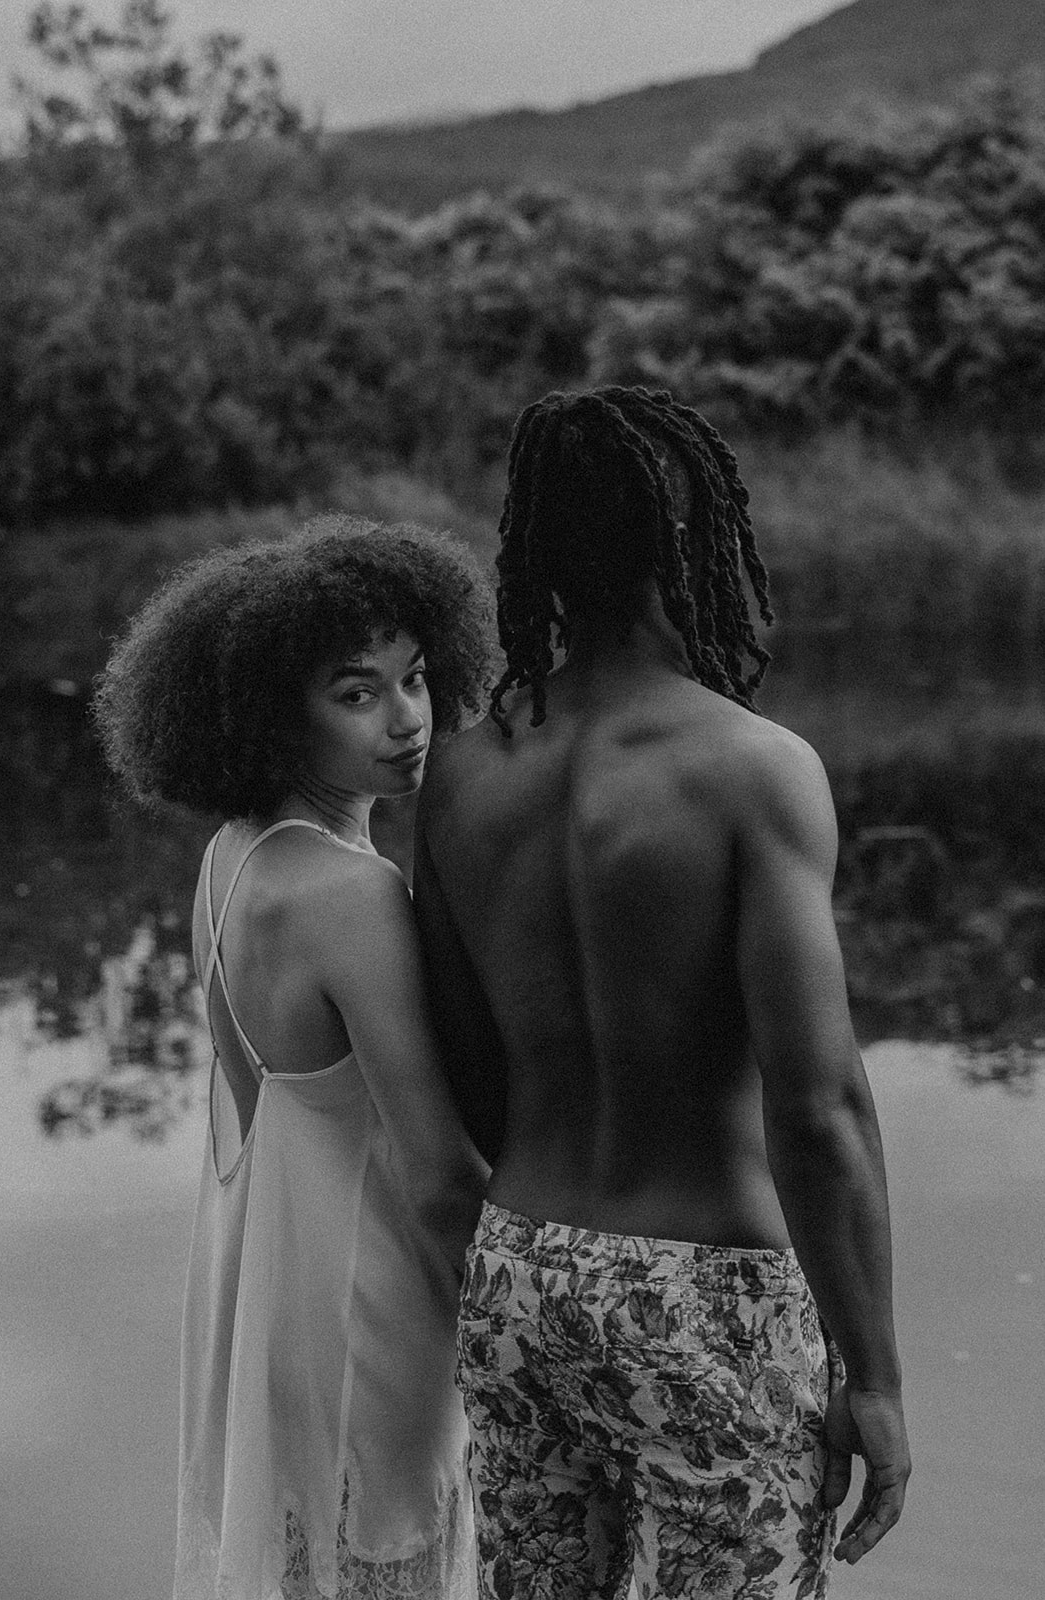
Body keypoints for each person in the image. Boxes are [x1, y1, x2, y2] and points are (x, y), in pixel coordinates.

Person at [413, 387, 911, 1600]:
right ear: (695, 540)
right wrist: (875, 1376)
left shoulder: (464, 764)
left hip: (521, 1274)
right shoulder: (752, 770)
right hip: (707, 1295)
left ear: (532, 545)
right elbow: (818, 1107)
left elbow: (462, 1053)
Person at [93, 516, 494, 1600]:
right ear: (271, 715)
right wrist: (521, 1344)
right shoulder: (349, 892)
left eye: (414, 678)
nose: (405, 719)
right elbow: (441, 1170)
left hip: (274, 1303)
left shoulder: (230, 862)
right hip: (378, 1318)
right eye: (354, 693)